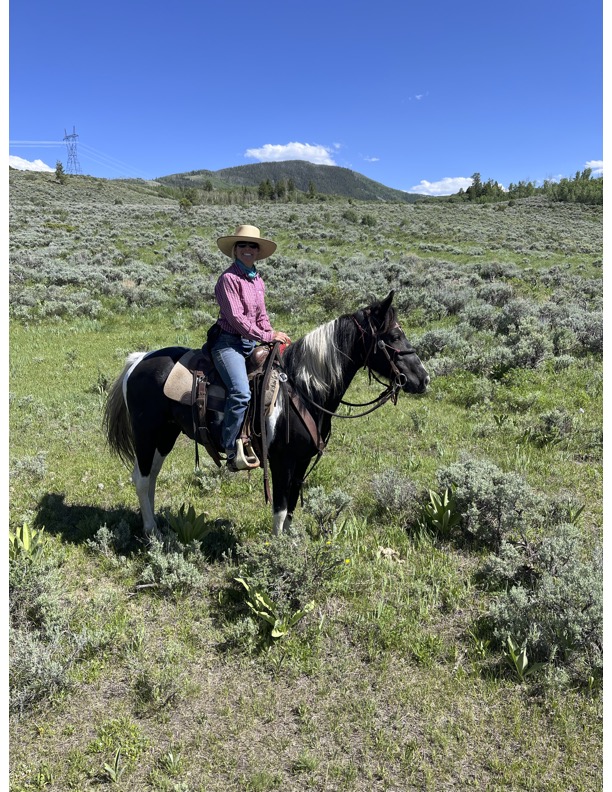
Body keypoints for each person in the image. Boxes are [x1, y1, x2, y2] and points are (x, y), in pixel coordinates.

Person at [211, 224, 291, 471]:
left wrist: (272, 336)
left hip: (251, 342)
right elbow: (237, 318)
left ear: (258, 251)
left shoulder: (257, 280)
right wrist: (266, 335)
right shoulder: (228, 279)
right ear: (235, 250)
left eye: (252, 246)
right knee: (241, 392)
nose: (248, 249)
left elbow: (261, 315)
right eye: (243, 245)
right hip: (228, 343)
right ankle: (230, 447)